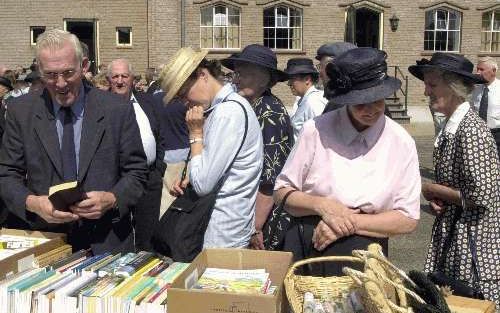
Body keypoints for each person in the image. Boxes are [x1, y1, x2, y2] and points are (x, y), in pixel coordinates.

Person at [274, 47, 421, 275]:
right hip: (307, 243)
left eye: (377, 101)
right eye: (361, 103)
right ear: (346, 100)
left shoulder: (401, 142)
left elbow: (408, 218)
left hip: (364, 252)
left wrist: (345, 224)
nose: (371, 110)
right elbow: (282, 192)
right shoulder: (315, 130)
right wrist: (324, 206)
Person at [0, 29, 149, 254]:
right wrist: (32, 203)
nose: (60, 83)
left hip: (106, 241)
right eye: (50, 75)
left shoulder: (117, 109)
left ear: (85, 66)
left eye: (68, 72)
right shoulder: (21, 112)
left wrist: (112, 199)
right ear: (39, 71)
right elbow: (7, 174)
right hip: (46, 240)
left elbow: (137, 171)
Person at [409, 53, 500, 307]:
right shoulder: (456, 125)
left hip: (473, 246)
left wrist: (432, 188)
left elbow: (482, 195)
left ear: (454, 87)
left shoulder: (471, 130)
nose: (426, 91)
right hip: (457, 236)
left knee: (470, 304)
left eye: (432, 84)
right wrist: (443, 198)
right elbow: (463, 188)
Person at [160, 47, 263, 249]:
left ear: (202, 75)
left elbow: (203, 184)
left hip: (222, 233)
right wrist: (192, 175)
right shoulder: (224, 108)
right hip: (221, 226)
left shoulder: (228, 112)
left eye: (183, 93)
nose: (184, 102)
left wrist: (195, 134)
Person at [220, 44, 293, 250]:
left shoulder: (270, 112)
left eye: (244, 74)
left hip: (267, 218)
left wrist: (256, 227)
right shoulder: (252, 106)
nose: (237, 79)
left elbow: (271, 180)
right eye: (237, 73)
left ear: (265, 79)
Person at [108, 58, 165, 252]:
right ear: (109, 80)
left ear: (132, 79)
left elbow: (160, 136)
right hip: (118, 180)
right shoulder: (101, 106)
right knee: (119, 232)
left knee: (147, 233)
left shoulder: (148, 101)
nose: (120, 81)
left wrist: (159, 169)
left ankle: (146, 270)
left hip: (150, 178)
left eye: (124, 76)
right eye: (115, 76)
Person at [284, 58, 327, 141]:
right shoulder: (303, 100)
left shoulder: (313, 102)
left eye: (292, 79)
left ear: (307, 79)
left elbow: (322, 138)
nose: (289, 84)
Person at [315, 42, 356, 114]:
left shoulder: (341, 103)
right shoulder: (340, 99)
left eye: (322, 67)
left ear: (334, 69)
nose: (320, 73)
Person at [471, 56, 500, 157]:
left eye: (481, 69)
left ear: (493, 71)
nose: (478, 72)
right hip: (478, 135)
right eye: (477, 69)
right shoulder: (476, 89)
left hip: (497, 135)